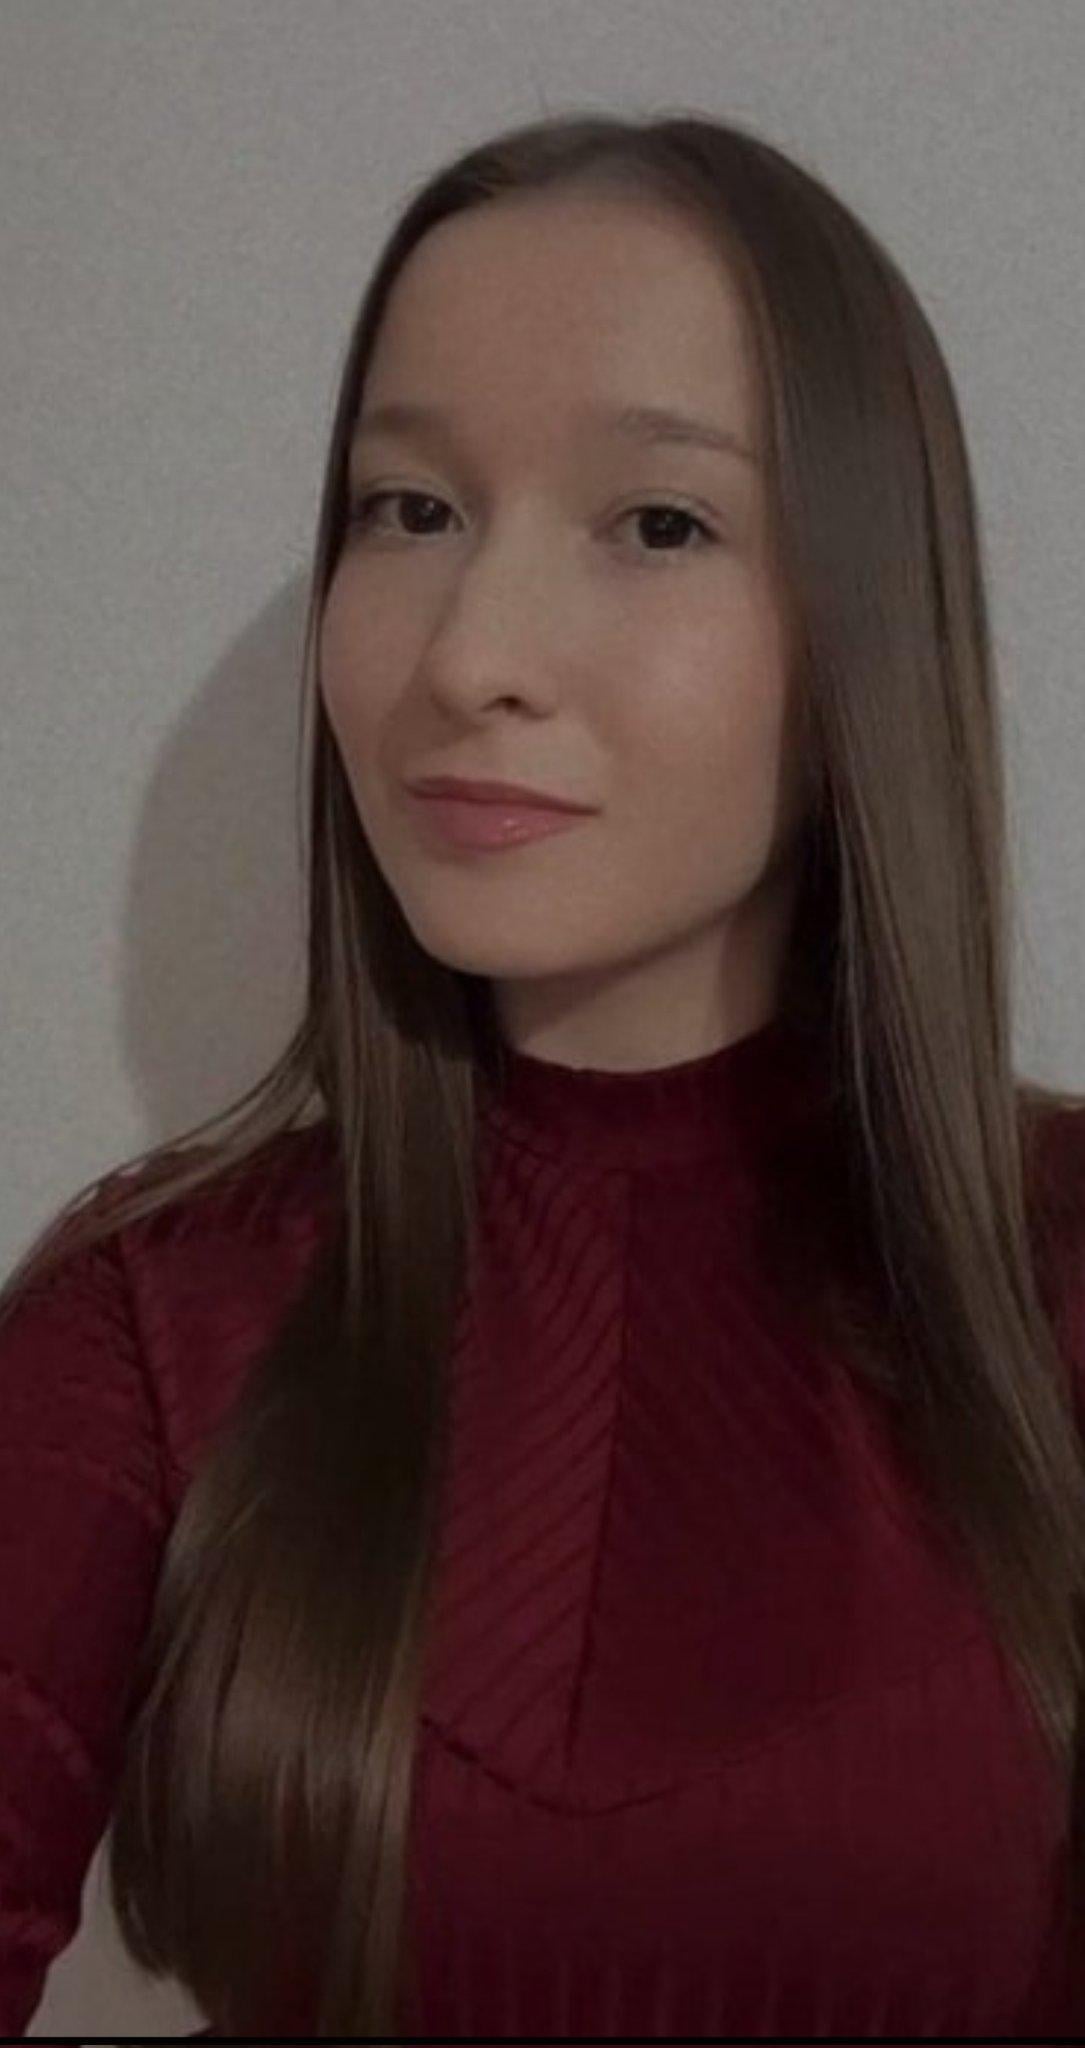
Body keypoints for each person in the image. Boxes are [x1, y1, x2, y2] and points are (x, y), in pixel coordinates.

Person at [3, 110, 1085, 2041]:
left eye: (656, 523)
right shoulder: (158, 1318)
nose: (470, 654)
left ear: (863, 623)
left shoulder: (1061, 1280)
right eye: (408, 509)